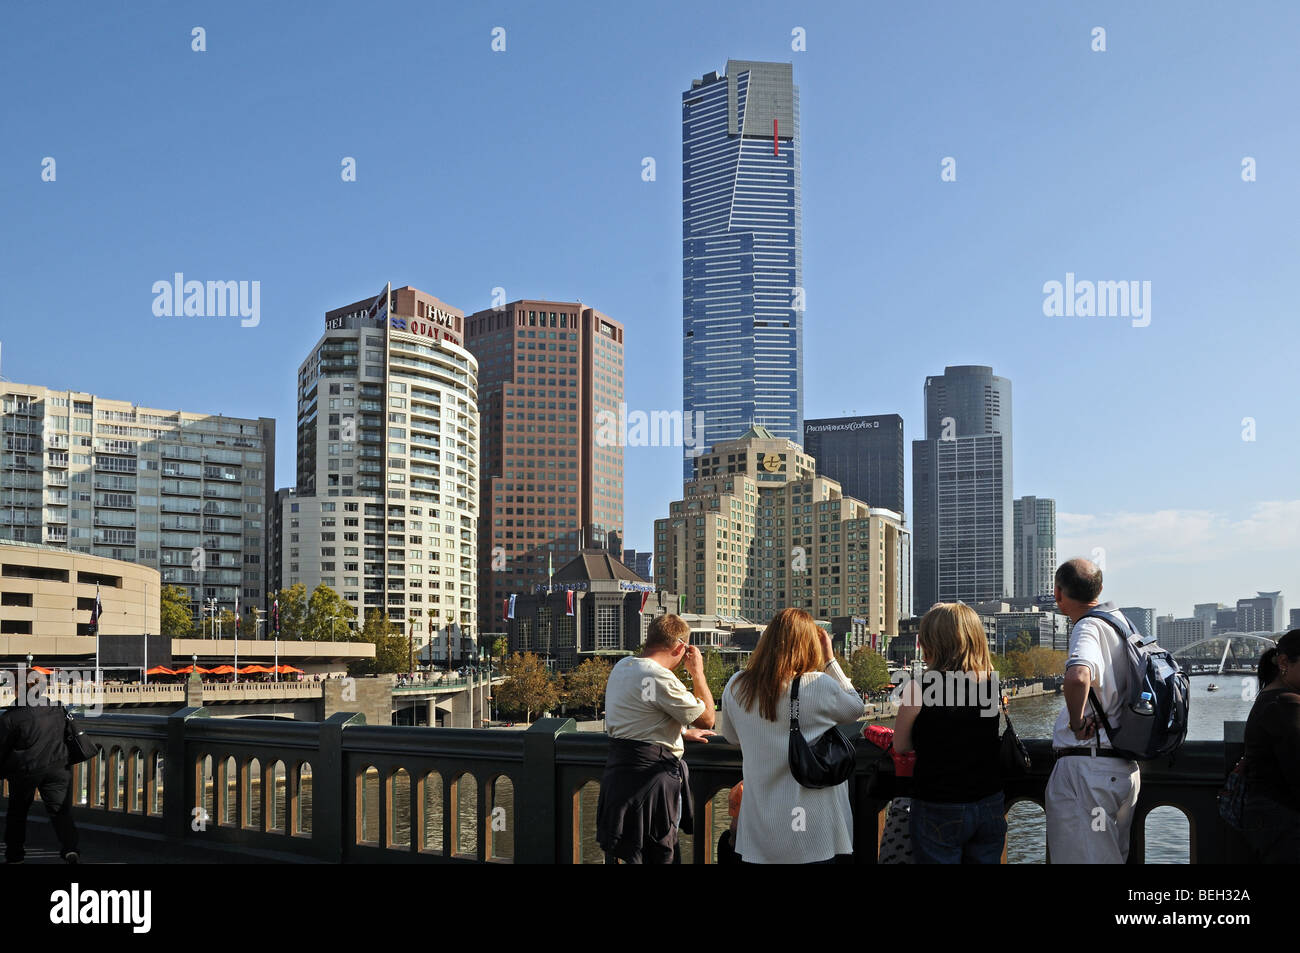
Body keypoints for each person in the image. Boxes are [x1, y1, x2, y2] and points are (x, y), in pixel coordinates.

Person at [717, 608, 865, 863]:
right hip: (814, 835)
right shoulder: (817, 683)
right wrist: (830, 661)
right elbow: (855, 708)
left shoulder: (736, 685)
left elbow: (731, 736)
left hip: (759, 834)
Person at [595, 614, 715, 863]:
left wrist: (680, 732)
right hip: (650, 785)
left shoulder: (622, 666)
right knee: (659, 852)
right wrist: (698, 673)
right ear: (681, 647)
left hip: (619, 780)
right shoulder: (659, 676)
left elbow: (639, 715)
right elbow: (706, 719)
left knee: (629, 854)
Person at [892, 602, 1005, 864]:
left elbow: (900, 744)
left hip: (938, 803)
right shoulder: (990, 684)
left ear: (931, 642)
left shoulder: (919, 688)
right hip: (988, 801)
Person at [1045, 557, 1140, 863]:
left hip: (1090, 770)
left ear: (1058, 593)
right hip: (1123, 769)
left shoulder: (1088, 626)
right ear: (1099, 588)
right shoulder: (1122, 624)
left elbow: (1078, 676)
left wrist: (1075, 724)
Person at [0, 676, 81, 864]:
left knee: (18, 813)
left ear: (19, 689)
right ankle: (70, 849)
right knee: (60, 812)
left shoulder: (11, 717)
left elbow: (2, 749)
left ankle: (15, 855)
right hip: (58, 767)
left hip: (26, 771)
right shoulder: (57, 709)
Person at [1241, 629, 1300, 862]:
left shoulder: (1272, 698)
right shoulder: (1284, 704)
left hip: (1270, 819)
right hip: (1287, 823)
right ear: (1284, 662)